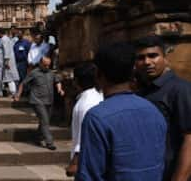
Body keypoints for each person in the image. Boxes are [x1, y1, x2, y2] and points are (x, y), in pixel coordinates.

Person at [76, 42, 167, 180]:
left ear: (98, 74)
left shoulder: (97, 117)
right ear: (133, 72)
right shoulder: (154, 111)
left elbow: (89, 175)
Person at [134, 36, 191, 181]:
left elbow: (189, 138)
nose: (147, 62)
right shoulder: (141, 92)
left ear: (165, 58)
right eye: (141, 58)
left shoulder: (179, 89)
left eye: (153, 56)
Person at [14, 55, 63, 150]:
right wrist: (18, 95)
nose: (47, 67)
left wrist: (60, 89)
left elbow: (57, 81)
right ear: (40, 63)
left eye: (48, 65)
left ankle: (38, 136)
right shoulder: (34, 73)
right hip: (37, 100)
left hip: (49, 100)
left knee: (45, 120)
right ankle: (49, 142)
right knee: (45, 120)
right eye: (45, 65)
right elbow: (23, 84)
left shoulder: (51, 73)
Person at [65, 62, 103, 177]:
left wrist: (75, 163)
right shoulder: (95, 97)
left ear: (76, 81)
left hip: (86, 164)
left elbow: (84, 138)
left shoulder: (86, 103)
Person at [0, 29, 19, 97]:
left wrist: (7, 61)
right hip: (0, 62)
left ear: (0, 33)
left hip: (5, 62)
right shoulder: (2, 39)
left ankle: (13, 92)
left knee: (9, 77)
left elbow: (7, 50)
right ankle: (0, 92)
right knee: (0, 77)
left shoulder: (5, 39)